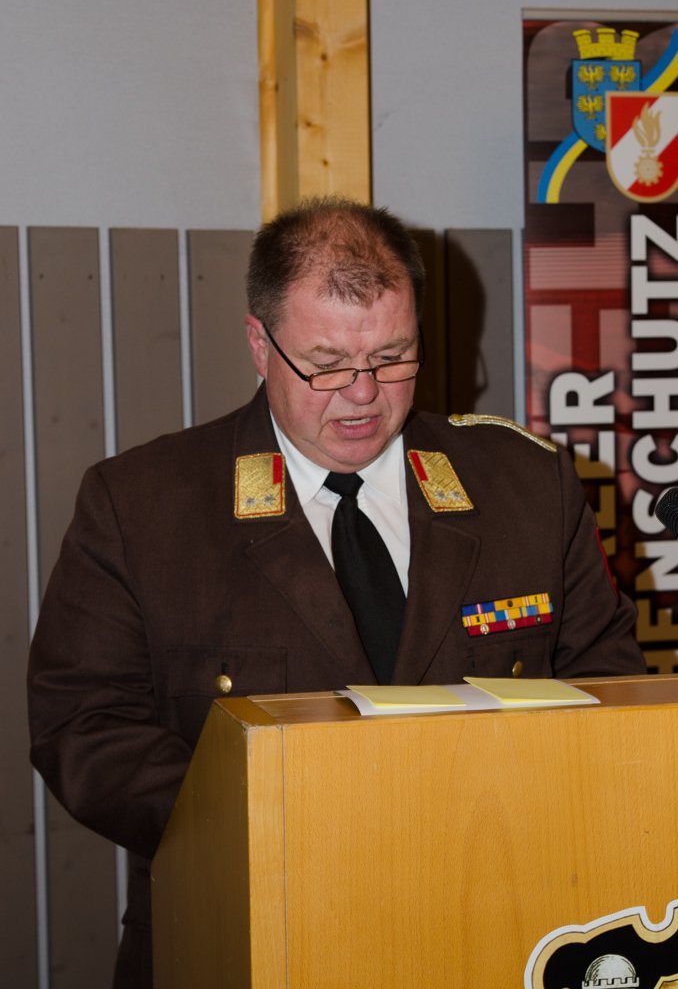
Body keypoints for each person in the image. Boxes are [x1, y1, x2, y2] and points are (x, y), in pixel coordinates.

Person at [27, 196, 646, 987]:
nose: (362, 393)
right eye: (325, 364)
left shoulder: (527, 487)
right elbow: (82, 722)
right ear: (260, 345)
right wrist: (272, 825)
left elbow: (609, 688)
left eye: (393, 356)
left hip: (494, 916)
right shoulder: (145, 506)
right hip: (250, 923)